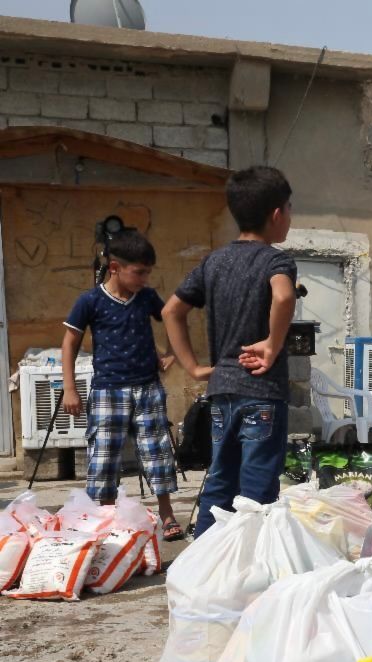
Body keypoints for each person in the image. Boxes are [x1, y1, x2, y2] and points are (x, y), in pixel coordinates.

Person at [163, 166, 298, 537]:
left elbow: (171, 310)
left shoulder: (214, 262)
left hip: (222, 389)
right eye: (289, 208)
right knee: (256, 486)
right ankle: (249, 565)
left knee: (220, 478)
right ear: (276, 215)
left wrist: (192, 368)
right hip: (263, 391)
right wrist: (272, 344)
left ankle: (203, 561)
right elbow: (284, 295)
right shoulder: (276, 260)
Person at [61, 230, 183, 540]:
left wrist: (172, 352)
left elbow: (172, 316)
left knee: (157, 455)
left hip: (147, 389)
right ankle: (108, 518)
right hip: (107, 392)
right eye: (139, 272)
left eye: (147, 272)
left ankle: (167, 515)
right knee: (104, 459)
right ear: (115, 267)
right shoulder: (90, 301)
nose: (144, 278)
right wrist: (71, 388)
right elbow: (70, 342)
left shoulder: (147, 298)